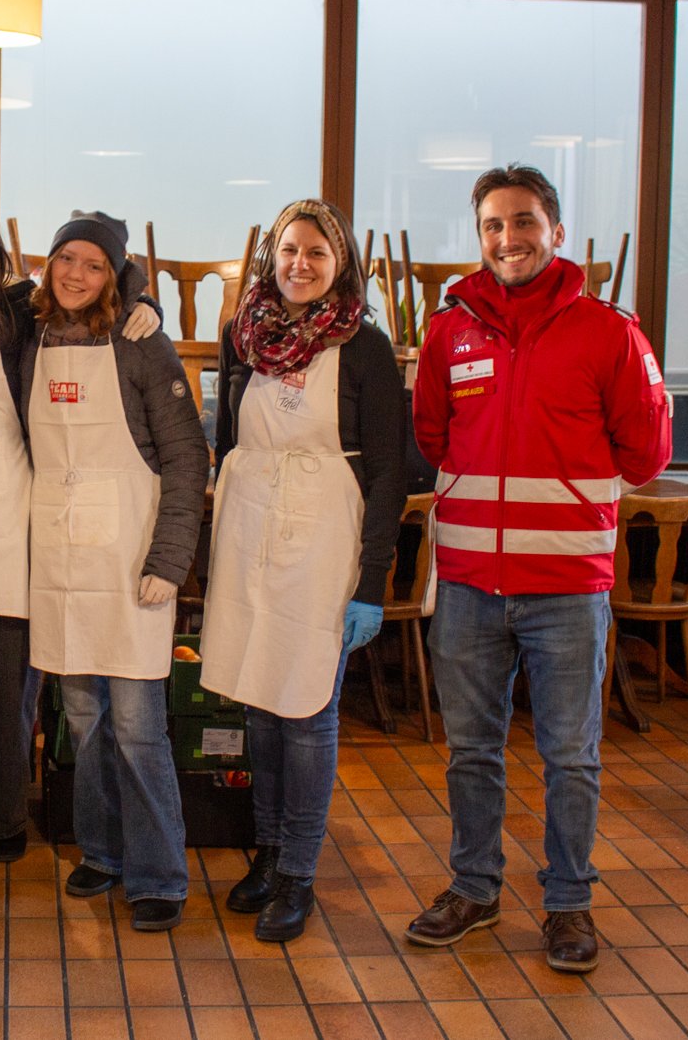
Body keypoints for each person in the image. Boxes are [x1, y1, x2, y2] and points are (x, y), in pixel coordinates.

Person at [406, 163, 671, 973]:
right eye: (492, 224)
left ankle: (568, 904)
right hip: (468, 586)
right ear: (478, 234)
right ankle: (475, 888)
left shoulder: (608, 329)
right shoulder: (450, 330)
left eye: (523, 222)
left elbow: (648, 450)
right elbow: (432, 435)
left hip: (566, 587)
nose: (507, 238)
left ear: (555, 230)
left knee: (571, 755)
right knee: (471, 750)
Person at [0, 197, 163, 877]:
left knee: (9, 702)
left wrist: (138, 292)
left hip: (7, 535)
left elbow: (85, 278)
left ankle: (7, 818)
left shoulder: (16, 315)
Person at [200, 198, 406, 942]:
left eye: (318, 253)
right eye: (290, 250)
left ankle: (299, 873)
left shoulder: (365, 347)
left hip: (322, 540)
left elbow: (389, 474)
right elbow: (227, 443)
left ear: (340, 264)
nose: (300, 264)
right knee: (258, 702)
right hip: (250, 532)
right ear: (271, 258)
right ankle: (269, 849)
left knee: (308, 711)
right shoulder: (243, 338)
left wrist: (372, 583)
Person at [20, 210, 207, 932]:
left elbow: (189, 459)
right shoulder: (29, 333)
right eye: (66, 258)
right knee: (82, 719)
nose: (75, 274)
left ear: (114, 277)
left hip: (132, 563)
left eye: (94, 265)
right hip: (61, 561)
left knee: (138, 727)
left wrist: (170, 560)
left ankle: (159, 872)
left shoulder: (140, 344)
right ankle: (101, 851)